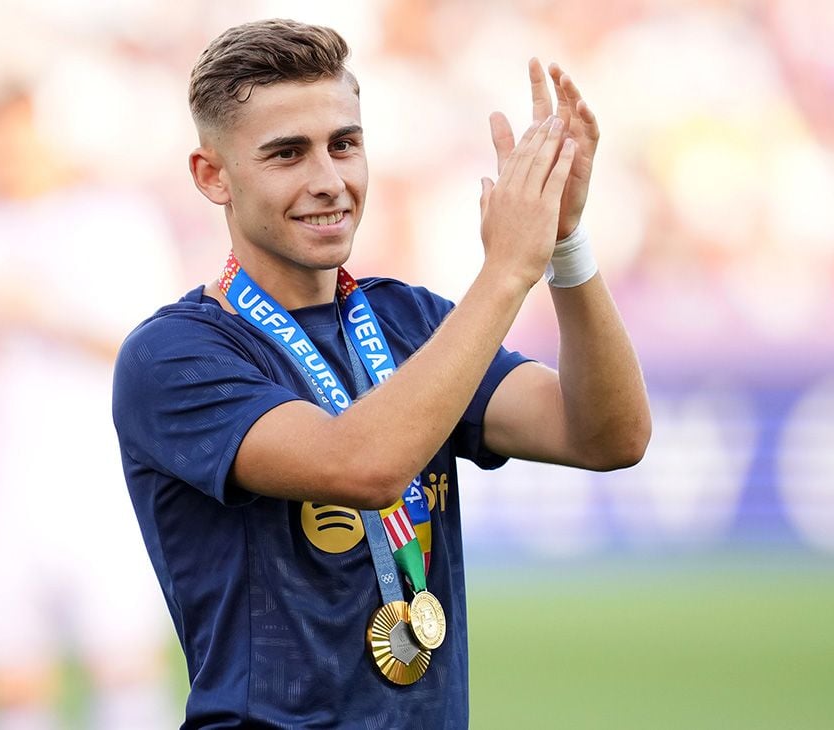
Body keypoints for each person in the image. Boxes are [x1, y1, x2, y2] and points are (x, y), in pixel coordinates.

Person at [112, 18, 651, 729]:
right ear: (213, 175)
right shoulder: (175, 355)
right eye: (286, 154)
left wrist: (564, 245)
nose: (328, 181)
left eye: (345, 144)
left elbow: (607, 436)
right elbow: (363, 465)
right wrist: (506, 272)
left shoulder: (412, 321)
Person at [0, 89, 178, 730]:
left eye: (23, 140)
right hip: (3, 482)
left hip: (104, 478)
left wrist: (46, 316)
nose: (12, 158)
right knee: (12, 681)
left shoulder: (116, 223)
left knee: (125, 669)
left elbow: (152, 352)